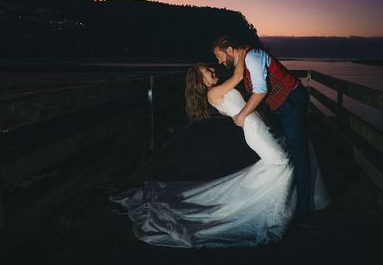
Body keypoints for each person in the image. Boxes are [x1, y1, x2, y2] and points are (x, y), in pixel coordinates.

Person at [110, 49, 329, 248]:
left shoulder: (217, 90)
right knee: (282, 163)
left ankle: (290, 204)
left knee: (283, 161)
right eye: (207, 70)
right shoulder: (212, 94)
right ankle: (278, 211)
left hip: (257, 126)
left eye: (210, 66)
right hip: (253, 129)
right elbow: (238, 76)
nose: (213, 68)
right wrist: (242, 56)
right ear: (201, 80)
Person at [212, 35, 313, 217]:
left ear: (229, 50)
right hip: (279, 106)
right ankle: (293, 196)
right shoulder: (243, 62)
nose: (218, 62)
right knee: (287, 147)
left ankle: (305, 208)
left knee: (297, 152)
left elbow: (260, 91)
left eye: (219, 56)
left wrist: (242, 115)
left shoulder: (252, 56)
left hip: (291, 100)